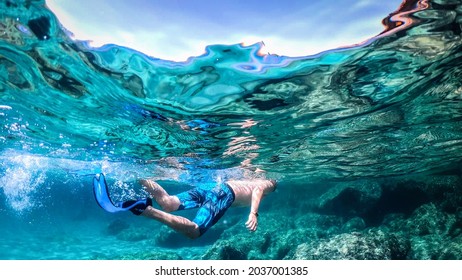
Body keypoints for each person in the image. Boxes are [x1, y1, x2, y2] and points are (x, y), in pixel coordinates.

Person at [93, 173, 277, 239]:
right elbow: (259, 189)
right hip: (224, 193)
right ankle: (146, 210)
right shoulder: (269, 181)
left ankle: (138, 174)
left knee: (169, 202)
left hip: (215, 186)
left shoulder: (248, 174)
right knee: (194, 231)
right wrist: (254, 213)